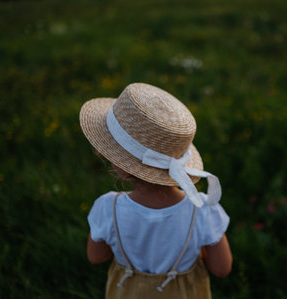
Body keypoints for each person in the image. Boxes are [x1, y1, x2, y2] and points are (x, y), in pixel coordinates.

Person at [79, 82, 232, 298]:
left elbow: (96, 257)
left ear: (122, 168)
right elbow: (221, 269)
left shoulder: (107, 207)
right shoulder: (203, 210)